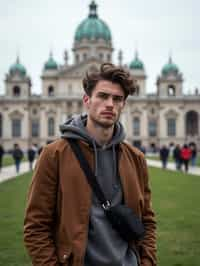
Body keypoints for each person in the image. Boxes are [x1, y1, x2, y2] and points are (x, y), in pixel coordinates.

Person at [24, 63, 156, 266]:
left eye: (117, 99)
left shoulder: (136, 158)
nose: (110, 104)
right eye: (103, 96)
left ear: (123, 105)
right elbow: (36, 226)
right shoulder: (53, 155)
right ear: (86, 100)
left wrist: (147, 262)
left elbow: (146, 221)